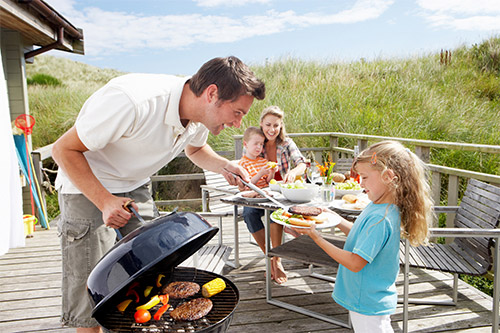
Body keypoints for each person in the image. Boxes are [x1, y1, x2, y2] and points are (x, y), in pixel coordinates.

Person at [51, 56, 265, 333]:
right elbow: (63, 150)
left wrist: (225, 165)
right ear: (212, 94)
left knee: (149, 276)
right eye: (238, 112)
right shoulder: (132, 102)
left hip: (136, 186)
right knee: (91, 296)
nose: (238, 123)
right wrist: (104, 200)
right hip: (88, 187)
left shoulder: (199, 115)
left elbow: (196, 150)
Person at [294, 140, 433, 333]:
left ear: (388, 176)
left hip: (368, 301)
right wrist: (336, 219)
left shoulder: (380, 218)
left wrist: (316, 237)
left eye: (365, 177)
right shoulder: (379, 207)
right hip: (368, 298)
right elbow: (361, 236)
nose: (360, 182)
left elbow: (355, 262)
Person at [242, 105, 307, 284]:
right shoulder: (255, 143)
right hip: (260, 195)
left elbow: (302, 163)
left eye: (276, 125)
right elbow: (245, 173)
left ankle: (277, 260)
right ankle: (270, 256)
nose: (272, 130)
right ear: (262, 123)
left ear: (281, 126)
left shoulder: (286, 143)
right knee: (248, 213)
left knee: (275, 215)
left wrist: (294, 172)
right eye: (268, 125)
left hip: (281, 195)